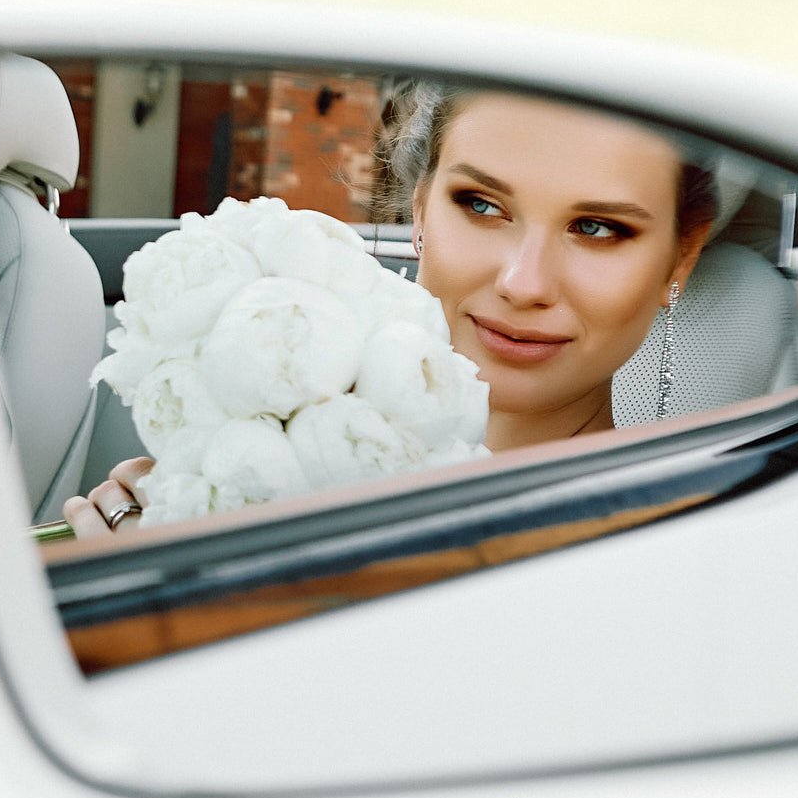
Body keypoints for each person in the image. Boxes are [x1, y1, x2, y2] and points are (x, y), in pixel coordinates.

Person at [64, 86, 719, 537]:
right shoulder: (270, 458)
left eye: (598, 228)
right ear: (420, 211)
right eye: (483, 205)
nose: (524, 283)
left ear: (680, 257)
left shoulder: (677, 547)